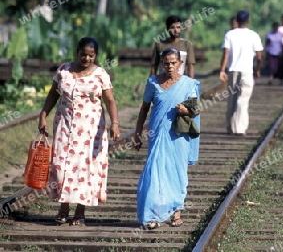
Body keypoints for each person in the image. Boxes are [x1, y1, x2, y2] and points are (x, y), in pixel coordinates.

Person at [38, 37, 120, 226]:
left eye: (91, 55)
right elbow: (53, 94)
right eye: (83, 54)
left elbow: (110, 101)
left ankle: (79, 212)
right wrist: (43, 115)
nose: (87, 58)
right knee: (61, 166)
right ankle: (63, 208)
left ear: (95, 56)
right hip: (64, 126)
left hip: (90, 131)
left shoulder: (101, 75)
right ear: (77, 52)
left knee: (85, 170)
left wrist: (114, 123)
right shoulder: (64, 70)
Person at [134, 47, 201, 230]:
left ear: (180, 63)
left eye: (173, 63)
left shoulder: (188, 84)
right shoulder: (153, 83)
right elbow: (144, 108)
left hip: (179, 135)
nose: (170, 66)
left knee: (177, 171)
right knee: (155, 171)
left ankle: (176, 212)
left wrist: (185, 110)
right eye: (166, 63)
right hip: (157, 133)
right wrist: (137, 132)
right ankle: (152, 214)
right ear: (161, 64)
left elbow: (197, 108)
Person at [219, 10, 263, 136]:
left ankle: (230, 127)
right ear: (248, 21)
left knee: (232, 99)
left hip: (233, 70)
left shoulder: (230, 34)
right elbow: (259, 57)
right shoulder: (254, 35)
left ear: (236, 21)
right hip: (247, 71)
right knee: (243, 100)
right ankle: (240, 129)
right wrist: (257, 70)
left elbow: (226, 54)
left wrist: (222, 70)